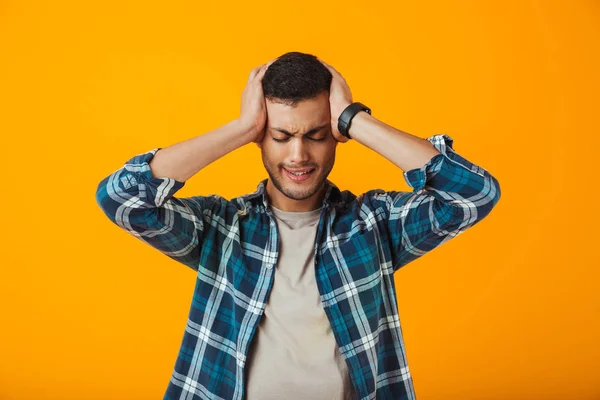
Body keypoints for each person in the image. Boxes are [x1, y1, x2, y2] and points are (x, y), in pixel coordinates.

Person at [95, 51, 501, 400]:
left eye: (317, 135)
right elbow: (123, 200)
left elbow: (473, 194)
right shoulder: (221, 228)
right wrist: (240, 129)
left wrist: (353, 118)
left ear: (337, 137)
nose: (299, 154)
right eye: (281, 135)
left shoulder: (373, 225)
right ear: (260, 137)